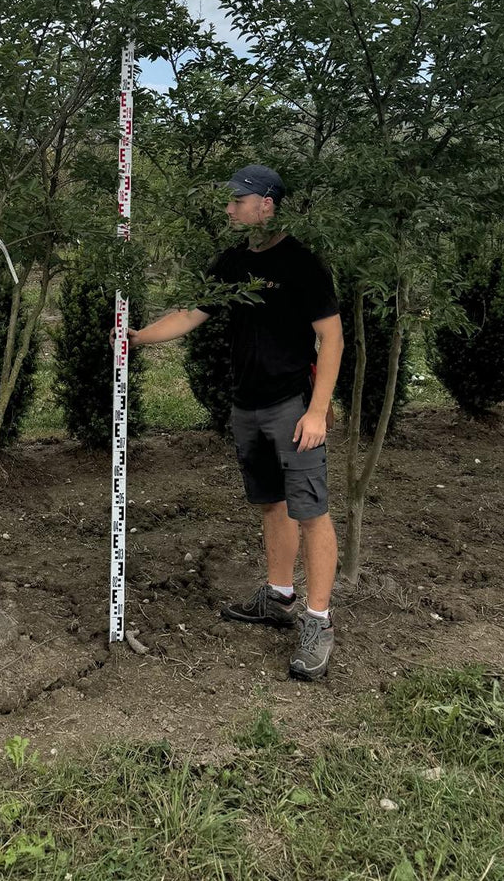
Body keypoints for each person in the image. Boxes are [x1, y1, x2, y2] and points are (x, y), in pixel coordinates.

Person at [123, 164, 343, 680]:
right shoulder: (231, 261)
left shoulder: (302, 262)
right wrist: (137, 337)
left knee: (311, 511)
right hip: (247, 405)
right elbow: (190, 313)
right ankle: (279, 596)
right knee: (272, 504)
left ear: (266, 203)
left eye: (237, 200)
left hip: (294, 405)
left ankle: (319, 621)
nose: (229, 209)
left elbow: (331, 339)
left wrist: (316, 411)